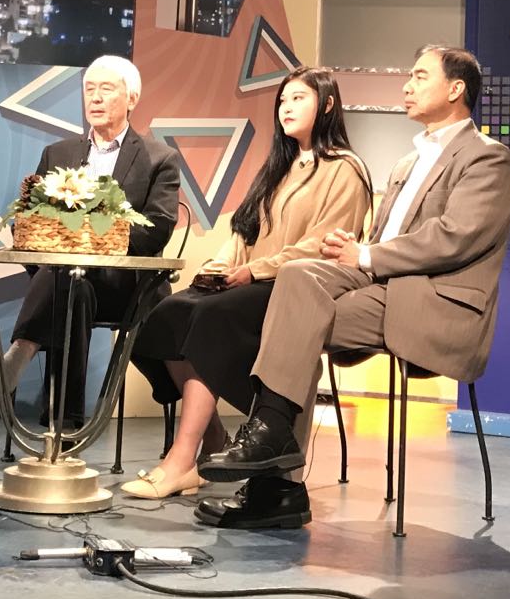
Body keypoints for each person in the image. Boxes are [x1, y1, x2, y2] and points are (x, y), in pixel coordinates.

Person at [195, 44, 510, 530]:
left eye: (420, 76)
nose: (407, 86)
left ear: (456, 89)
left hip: (432, 298)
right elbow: (383, 243)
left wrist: (366, 255)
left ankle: (276, 482)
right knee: (297, 277)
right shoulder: (407, 164)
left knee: (295, 322)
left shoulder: (487, 158)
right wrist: (355, 247)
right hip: (381, 284)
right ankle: (274, 443)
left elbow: (455, 237)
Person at [121, 68, 371, 500]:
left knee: (209, 319)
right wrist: (220, 267)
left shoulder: (345, 169)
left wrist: (254, 271)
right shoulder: (279, 167)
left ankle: (181, 458)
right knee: (166, 314)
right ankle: (212, 439)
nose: (286, 108)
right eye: (283, 100)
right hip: (249, 281)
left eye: (298, 98)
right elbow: (243, 233)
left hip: (295, 289)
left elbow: (323, 244)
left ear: (328, 104)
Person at [0, 56, 179, 429]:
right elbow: (32, 222)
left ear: (132, 98)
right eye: (89, 89)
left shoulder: (158, 158)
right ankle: (65, 426)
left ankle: (6, 375)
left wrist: (91, 237)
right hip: (68, 284)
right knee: (70, 284)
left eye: (107, 89)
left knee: (67, 279)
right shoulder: (58, 154)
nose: (95, 98)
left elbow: (157, 229)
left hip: (125, 286)